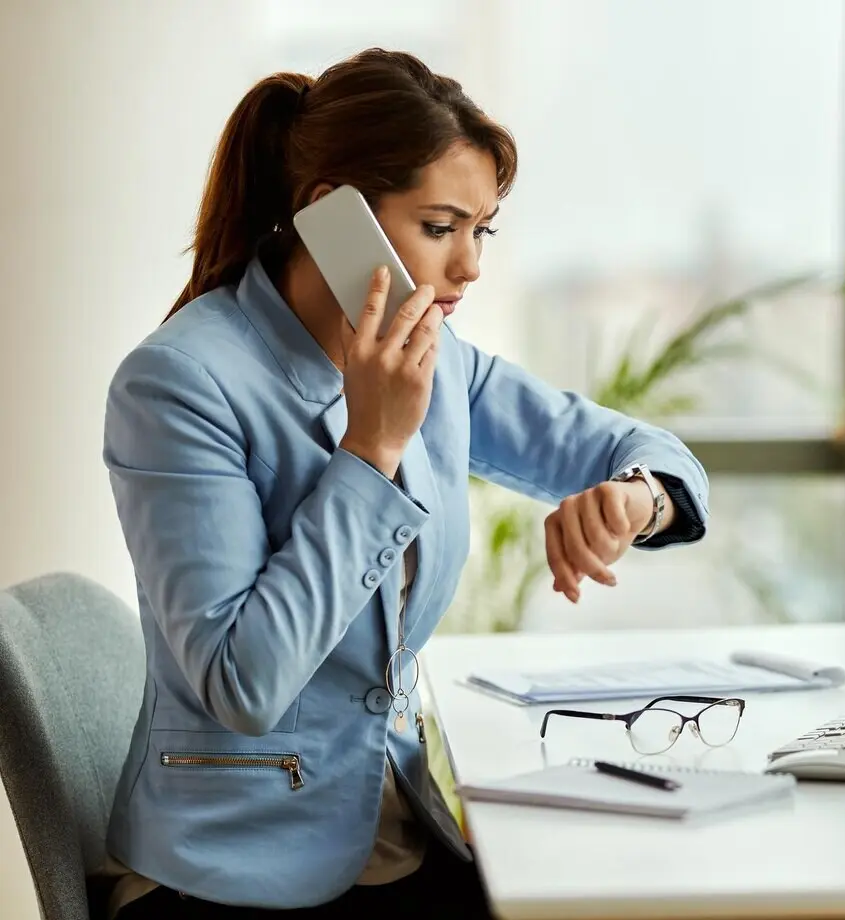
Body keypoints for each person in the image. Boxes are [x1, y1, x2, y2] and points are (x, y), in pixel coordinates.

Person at [99, 48, 709, 919]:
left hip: (390, 838)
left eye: (483, 229)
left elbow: (641, 446)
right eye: (440, 226)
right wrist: (371, 451)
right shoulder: (180, 385)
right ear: (330, 217)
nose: (469, 267)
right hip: (229, 875)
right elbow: (243, 685)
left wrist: (635, 497)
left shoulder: (438, 359)